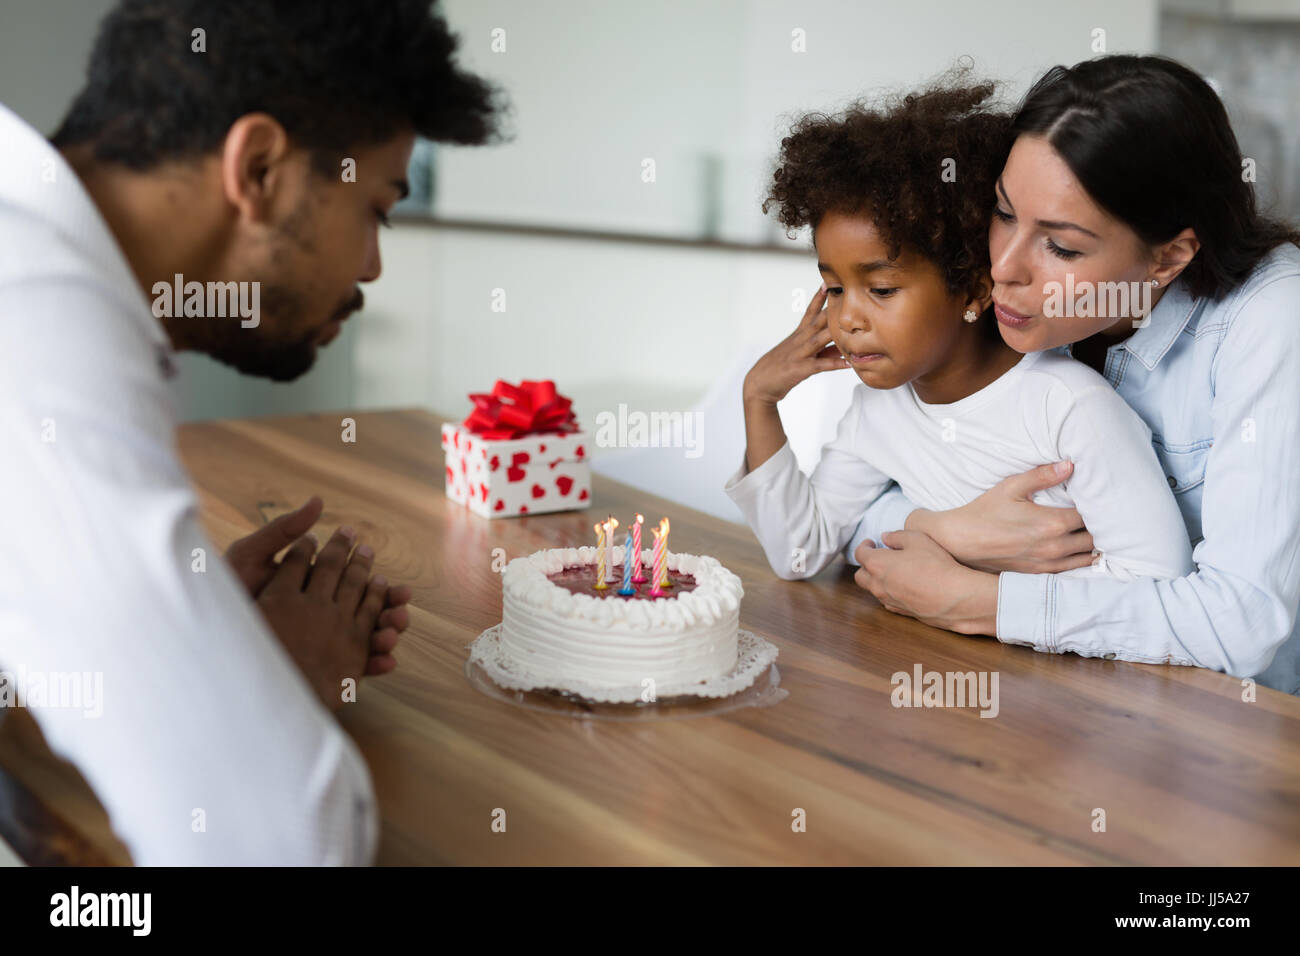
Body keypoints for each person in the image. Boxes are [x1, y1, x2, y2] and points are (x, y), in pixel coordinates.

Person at [0, 0, 502, 863]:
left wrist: (189, 645)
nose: (373, 268)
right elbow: (278, 839)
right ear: (260, 168)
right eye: (376, 209)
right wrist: (276, 685)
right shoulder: (40, 328)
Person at [847, 55, 1300, 696]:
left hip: (1242, 733)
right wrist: (941, 530)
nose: (1003, 265)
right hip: (1064, 697)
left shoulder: (1273, 319)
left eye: (1060, 246)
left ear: (1168, 257)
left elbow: (1243, 626)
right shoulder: (1000, 303)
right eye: (1003, 213)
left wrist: (986, 600)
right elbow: (850, 506)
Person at [725, 80, 1192, 590]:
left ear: (972, 288)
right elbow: (800, 553)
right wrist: (759, 397)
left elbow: (1157, 577)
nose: (848, 319)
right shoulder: (875, 414)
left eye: (880, 289)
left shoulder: (1069, 408)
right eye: (834, 289)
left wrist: (977, 591)